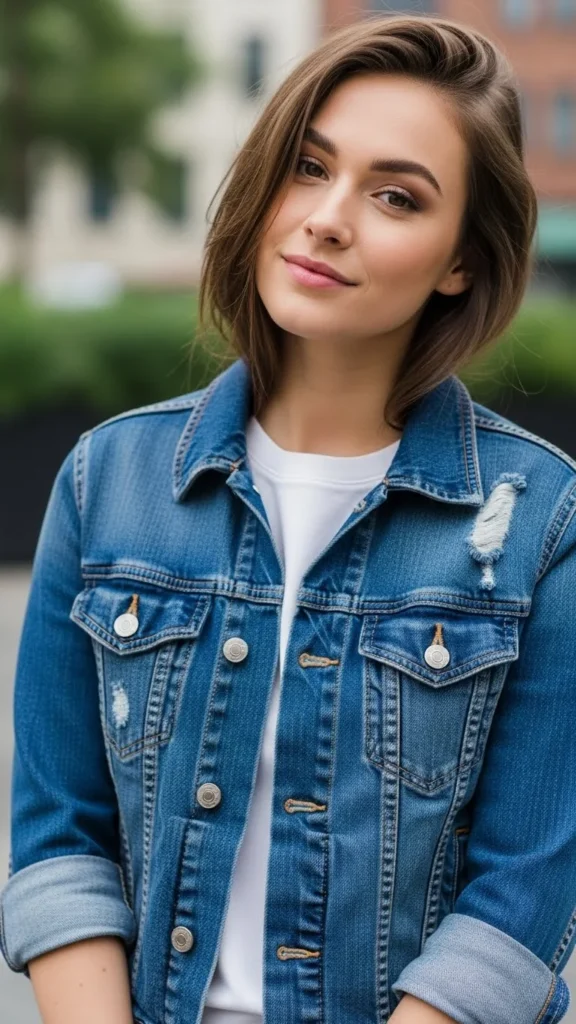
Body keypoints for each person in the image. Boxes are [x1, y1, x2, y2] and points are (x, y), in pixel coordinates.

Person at [1, 12, 575, 1024]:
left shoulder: (541, 524)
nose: (328, 217)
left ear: (460, 261)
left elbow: (520, 899)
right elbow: (61, 836)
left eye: (397, 195)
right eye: (308, 168)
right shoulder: (108, 481)